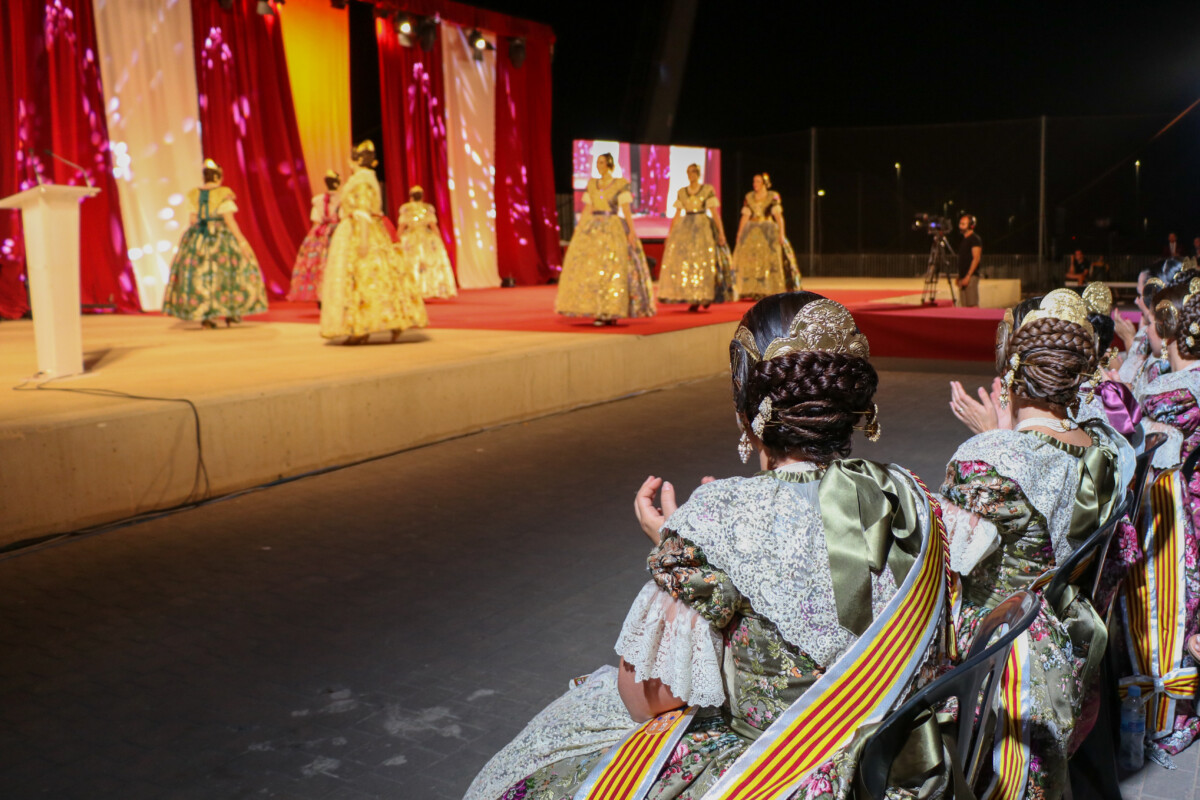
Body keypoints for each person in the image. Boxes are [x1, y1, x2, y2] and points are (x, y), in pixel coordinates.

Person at [467, 292, 950, 800]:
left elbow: (647, 698)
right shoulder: (909, 494)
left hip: (782, 772)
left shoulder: (719, 514)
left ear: (750, 409)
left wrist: (684, 547)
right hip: (904, 763)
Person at [945, 289, 1128, 798]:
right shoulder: (1104, 448)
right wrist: (1005, 434)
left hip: (1000, 651)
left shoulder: (990, 463)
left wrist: (994, 439)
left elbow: (947, 557)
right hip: (1069, 635)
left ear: (1012, 376)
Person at [1124, 278, 1200, 759]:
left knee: (1166, 610)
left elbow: (1125, 413)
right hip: (1189, 502)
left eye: (1149, 322)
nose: (1144, 330)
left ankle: (1168, 713)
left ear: (1169, 329)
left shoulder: (1171, 394)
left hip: (1175, 510)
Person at [318, 141, 427, 345]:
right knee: (376, 278)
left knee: (364, 277)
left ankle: (361, 327)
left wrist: (363, 240)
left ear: (354, 160)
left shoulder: (361, 182)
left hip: (361, 231)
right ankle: (376, 325)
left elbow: (363, 210)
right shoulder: (364, 180)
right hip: (361, 229)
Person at [162, 159, 268, 328]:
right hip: (221, 237)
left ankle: (207, 316)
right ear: (218, 177)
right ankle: (230, 311)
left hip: (199, 237)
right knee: (228, 273)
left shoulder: (194, 194)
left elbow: (192, 220)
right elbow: (230, 220)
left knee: (202, 276)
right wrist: (241, 242)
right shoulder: (223, 193)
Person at [554, 153, 655, 326]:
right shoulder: (592, 184)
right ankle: (598, 309)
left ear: (609, 165)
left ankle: (612, 310)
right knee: (594, 268)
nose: (599, 165)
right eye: (598, 162)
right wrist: (580, 228)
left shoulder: (620, 184)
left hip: (613, 227)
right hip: (594, 228)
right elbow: (588, 209)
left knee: (612, 268)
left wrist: (631, 231)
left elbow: (626, 209)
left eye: (602, 162)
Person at [656, 163, 734, 311]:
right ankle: (693, 296)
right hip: (686, 229)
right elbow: (677, 215)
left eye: (693, 172)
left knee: (704, 262)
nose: (690, 175)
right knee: (688, 263)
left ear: (698, 174)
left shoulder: (707, 190)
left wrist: (721, 232)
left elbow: (715, 213)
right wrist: (670, 234)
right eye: (688, 172)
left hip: (702, 228)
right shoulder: (682, 192)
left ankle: (705, 295)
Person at [731, 173, 801, 299]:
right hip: (752, 230)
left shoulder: (772, 196)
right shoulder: (749, 197)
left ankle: (768, 289)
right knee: (751, 260)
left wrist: (782, 233)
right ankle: (751, 289)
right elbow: (745, 216)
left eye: (758, 181)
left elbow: (778, 217)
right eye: (754, 181)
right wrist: (739, 233)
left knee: (768, 260)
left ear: (764, 183)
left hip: (768, 231)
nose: (755, 184)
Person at [286, 170, 341, 304]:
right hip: (336, 232)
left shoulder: (319, 200)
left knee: (317, 264)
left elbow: (316, 220)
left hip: (319, 234)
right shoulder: (342, 199)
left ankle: (320, 296)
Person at [396, 185, 457, 300]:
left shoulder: (406, 208)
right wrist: (439, 239)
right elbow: (433, 225)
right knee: (428, 263)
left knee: (412, 264)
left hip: (410, 239)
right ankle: (428, 289)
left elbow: (402, 226)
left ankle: (413, 291)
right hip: (426, 239)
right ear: (422, 197)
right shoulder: (427, 208)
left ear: (411, 197)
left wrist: (396, 239)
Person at [956, 214, 982, 307]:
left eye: (963, 224)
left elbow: (976, 258)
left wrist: (968, 276)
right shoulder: (964, 240)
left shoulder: (975, 239)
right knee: (964, 308)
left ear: (971, 225)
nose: (960, 226)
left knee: (972, 305)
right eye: (960, 223)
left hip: (970, 277)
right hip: (963, 277)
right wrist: (960, 276)